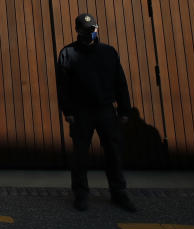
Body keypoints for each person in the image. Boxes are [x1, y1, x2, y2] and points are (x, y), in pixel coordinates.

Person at [55, 13, 136, 212]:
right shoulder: (68, 53)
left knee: (113, 153)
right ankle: (81, 194)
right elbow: (63, 87)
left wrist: (124, 109)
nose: (91, 32)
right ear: (78, 30)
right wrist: (68, 111)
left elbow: (120, 82)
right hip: (81, 113)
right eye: (86, 29)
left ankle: (119, 193)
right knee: (80, 156)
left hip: (106, 110)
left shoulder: (109, 52)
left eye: (93, 29)